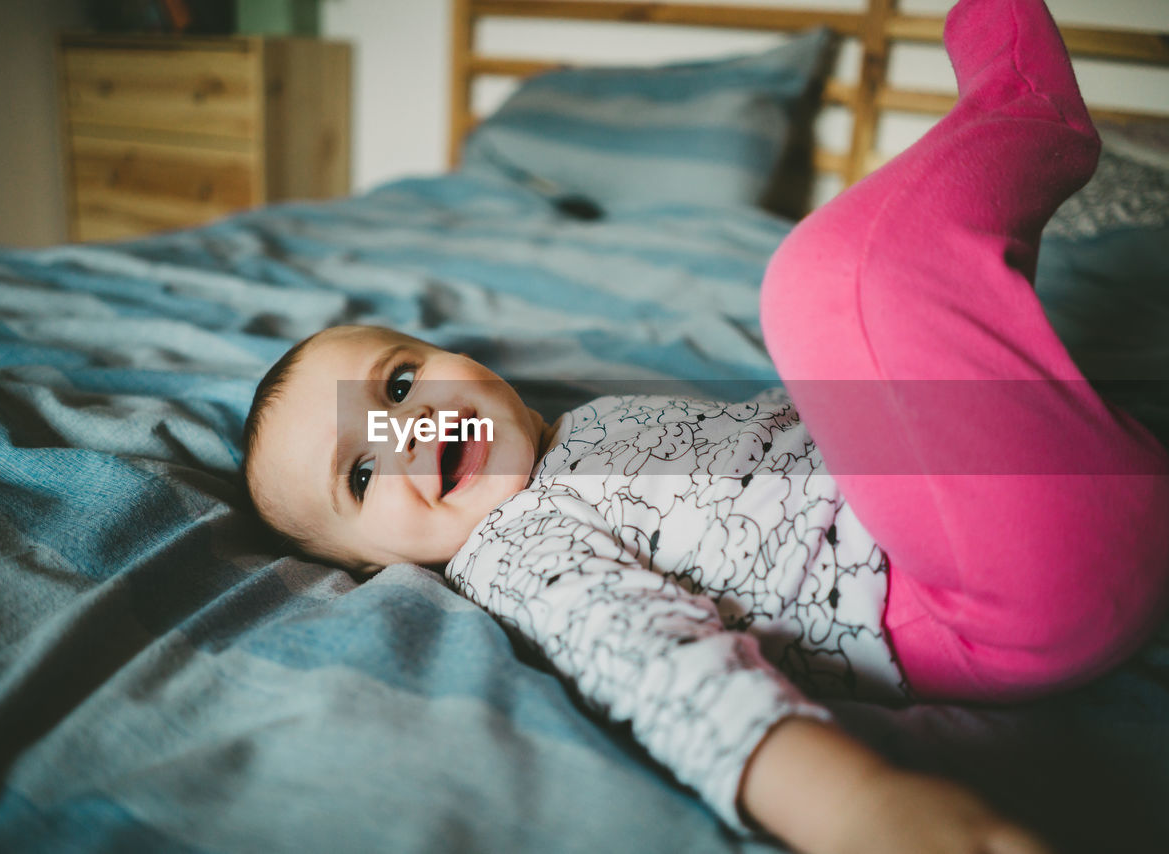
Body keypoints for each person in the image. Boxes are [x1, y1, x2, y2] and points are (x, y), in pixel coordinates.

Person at [241, 1, 1169, 851]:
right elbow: (663, 673)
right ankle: (1021, 107)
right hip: (980, 584)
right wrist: (856, 807)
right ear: (371, 569)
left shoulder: (584, 428)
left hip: (1035, 492)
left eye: (400, 382)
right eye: (359, 476)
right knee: (829, 284)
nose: (406, 432)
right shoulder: (516, 554)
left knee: (910, 320)